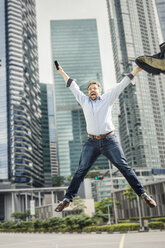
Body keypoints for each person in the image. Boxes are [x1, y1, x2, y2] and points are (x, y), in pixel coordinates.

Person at [55, 64, 157, 212]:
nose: (91, 90)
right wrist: (61, 72)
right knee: (81, 170)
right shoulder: (83, 100)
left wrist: (135, 71)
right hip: (92, 143)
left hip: (110, 141)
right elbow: (73, 86)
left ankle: (143, 194)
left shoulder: (107, 98)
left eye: (94, 88)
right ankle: (67, 199)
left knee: (125, 168)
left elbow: (121, 85)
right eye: (89, 89)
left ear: (99, 90)